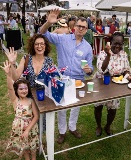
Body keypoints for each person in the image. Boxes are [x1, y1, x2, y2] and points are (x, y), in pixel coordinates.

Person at [39, 9, 94, 144]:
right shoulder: (62, 39)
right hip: (62, 78)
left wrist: (88, 71)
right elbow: (42, 33)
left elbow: (91, 68)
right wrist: (48, 22)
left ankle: (72, 127)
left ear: (86, 30)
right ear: (73, 27)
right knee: (61, 106)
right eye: (79, 26)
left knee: (76, 106)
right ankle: (62, 131)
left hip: (78, 81)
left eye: (84, 27)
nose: (81, 29)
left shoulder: (87, 47)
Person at [94, 32, 131, 136]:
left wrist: (127, 75)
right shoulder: (103, 53)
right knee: (98, 106)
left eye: (120, 44)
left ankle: (107, 126)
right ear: (110, 42)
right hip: (101, 83)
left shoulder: (123, 55)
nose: (117, 46)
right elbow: (102, 70)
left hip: (115, 85)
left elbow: (126, 69)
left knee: (113, 109)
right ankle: (98, 126)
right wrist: (108, 55)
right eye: (115, 43)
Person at [1, 60, 39, 160]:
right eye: (21, 89)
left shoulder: (31, 101)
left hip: (31, 129)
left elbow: (36, 116)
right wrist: (8, 75)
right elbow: (10, 88)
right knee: (25, 147)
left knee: (32, 147)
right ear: (16, 90)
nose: (23, 90)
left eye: (25, 88)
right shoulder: (15, 101)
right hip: (19, 129)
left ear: (28, 89)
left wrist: (27, 130)